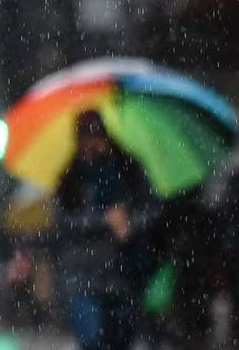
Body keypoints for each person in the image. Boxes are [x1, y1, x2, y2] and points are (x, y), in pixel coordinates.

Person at [52, 110, 162, 350]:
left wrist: (130, 223)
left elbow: (152, 208)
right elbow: (63, 221)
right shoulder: (70, 179)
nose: (92, 145)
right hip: (83, 278)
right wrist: (103, 221)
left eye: (97, 137)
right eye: (86, 139)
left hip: (124, 276)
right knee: (93, 339)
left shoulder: (129, 169)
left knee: (120, 340)